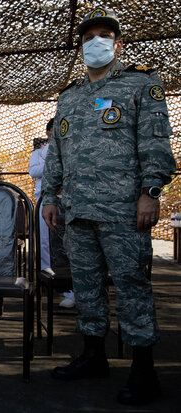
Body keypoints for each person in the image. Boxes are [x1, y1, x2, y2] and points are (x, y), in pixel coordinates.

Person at [41, 6, 176, 405]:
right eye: (87, 38)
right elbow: (57, 154)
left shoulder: (141, 85)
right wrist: (50, 196)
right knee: (85, 287)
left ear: (118, 44)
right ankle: (94, 356)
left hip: (123, 211)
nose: (94, 42)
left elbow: (155, 144)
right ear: (81, 46)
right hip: (78, 211)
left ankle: (143, 372)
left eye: (104, 36)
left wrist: (150, 193)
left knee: (133, 289)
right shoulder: (69, 97)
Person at [29, 118, 75, 308]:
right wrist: (53, 160)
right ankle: (47, 280)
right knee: (45, 241)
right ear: (48, 133)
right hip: (46, 200)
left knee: (70, 242)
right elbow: (34, 172)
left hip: (70, 199)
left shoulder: (73, 148)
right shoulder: (39, 153)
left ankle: (71, 287)